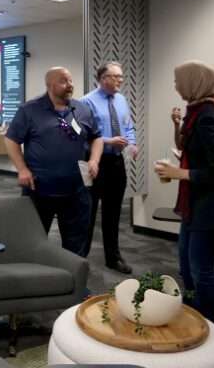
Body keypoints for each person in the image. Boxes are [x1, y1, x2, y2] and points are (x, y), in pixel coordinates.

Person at [154, 60, 214, 324]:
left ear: (193, 83)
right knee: (186, 264)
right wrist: (177, 128)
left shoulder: (208, 117)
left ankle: (208, 324)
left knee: (200, 269)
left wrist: (180, 173)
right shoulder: (199, 112)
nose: (175, 86)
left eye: (178, 81)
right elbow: (190, 148)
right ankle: (192, 312)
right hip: (197, 203)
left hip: (213, 206)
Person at [5, 67, 103, 256]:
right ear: (49, 84)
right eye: (64, 81)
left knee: (76, 247)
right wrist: (22, 169)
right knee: (32, 243)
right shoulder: (29, 110)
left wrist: (94, 160)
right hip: (39, 190)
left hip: (76, 192)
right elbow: (11, 140)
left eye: (71, 81)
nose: (70, 85)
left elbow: (97, 137)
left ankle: (73, 275)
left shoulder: (82, 109)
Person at [81, 62, 137, 273]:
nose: (120, 80)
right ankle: (80, 258)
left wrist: (132, 144)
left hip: (116, 162)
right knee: (88, 212)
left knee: (113, 213)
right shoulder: (86, 102)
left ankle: (113, 257)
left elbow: (128, 126)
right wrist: (108, 141)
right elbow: (81, 135)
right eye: (116, 76)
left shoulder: (121, 100)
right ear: (103, 78)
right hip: (94, 161)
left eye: (121, 76)